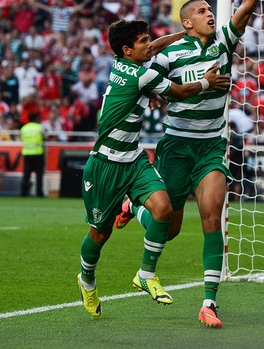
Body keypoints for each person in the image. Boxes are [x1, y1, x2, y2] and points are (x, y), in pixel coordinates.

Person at [114, 0, 264, 328]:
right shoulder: (172, 56)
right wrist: (175, 44)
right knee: (168, 227)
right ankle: (134, 209)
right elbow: (140, 59)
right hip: (175, 147)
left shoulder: (224, 42)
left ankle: (209, 302)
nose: (211, 14)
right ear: (188, 21)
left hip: (211, 146)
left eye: (210, 9)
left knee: (212, 217)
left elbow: (246, 8)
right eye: (203, 11)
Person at [77, 19, 230, 319]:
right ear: (127, 50)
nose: (150, 44)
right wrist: (207, 83)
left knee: (164, 209)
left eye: (148, 39)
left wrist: (181, 34)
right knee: (100, 233)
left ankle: (146, 274)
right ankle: (86, 279)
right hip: (105, 164)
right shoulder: (141, 75)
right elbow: (182, 92)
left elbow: (157, 47)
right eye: (143, 41)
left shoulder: (121, 62)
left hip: (133, 160)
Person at [20, 112, 45, 197]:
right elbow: (44, 136)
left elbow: (22, 138)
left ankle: (23, 192)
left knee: (26, 174)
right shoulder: (39, 127)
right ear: (35, 119)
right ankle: (39, 193)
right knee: (39, 174)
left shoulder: (24, 128)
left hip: (27, 153)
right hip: (38, 153)